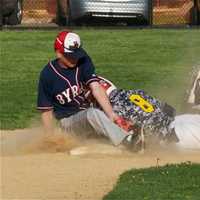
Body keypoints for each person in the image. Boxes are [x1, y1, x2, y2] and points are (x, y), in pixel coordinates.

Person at [37, 30, 134, 147]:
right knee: (92, 114)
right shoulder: (48, 75)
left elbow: (96, 88)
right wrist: (50, 137)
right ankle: (126, 142)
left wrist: (112, 115)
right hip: (68, 124)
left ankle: (140, 129)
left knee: (113, 102)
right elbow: (46, 111)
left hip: (90, 116)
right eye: (70, 56)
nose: (75, 59)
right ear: (58, 53)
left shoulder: (83, 60)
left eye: (76, 55)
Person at [86, 76, 200, 150]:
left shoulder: (114, 112)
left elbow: (130, 140)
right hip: (183, 119)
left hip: (177, 137)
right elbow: (170, 110)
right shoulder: (134, 92)